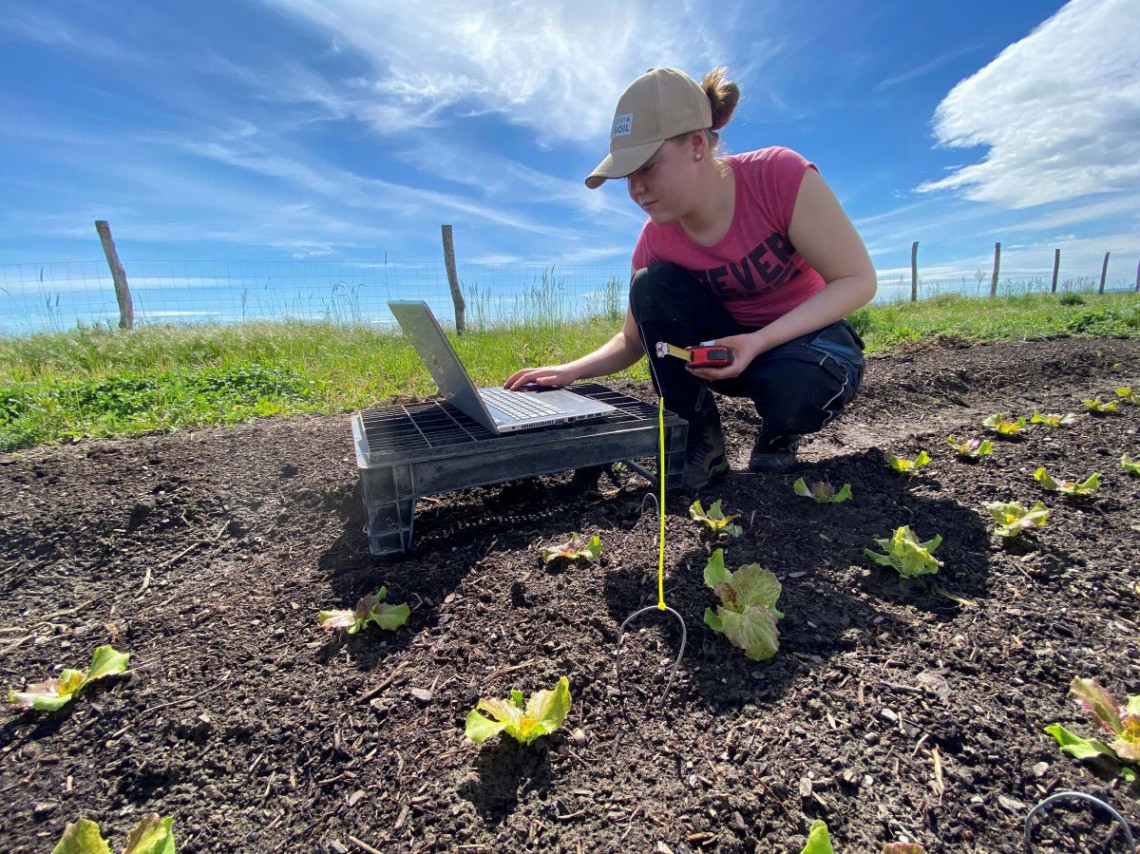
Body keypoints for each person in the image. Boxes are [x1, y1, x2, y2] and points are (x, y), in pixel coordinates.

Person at [505, 66, 877, 488]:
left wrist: (758, 341)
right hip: (730, 354)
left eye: (647, 166)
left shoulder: (778, 177)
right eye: (628, 176)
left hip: (809, 343)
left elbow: (856, 279)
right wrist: (569, 370)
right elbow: (631, 340)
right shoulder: (655, 240)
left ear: (697, 145)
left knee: (796, 395)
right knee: (650, 284)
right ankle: (699, 441)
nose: (636, 189)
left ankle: (780, 429)